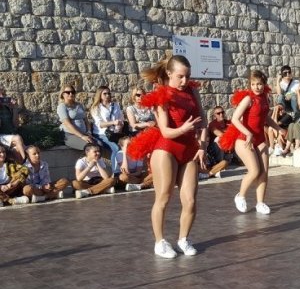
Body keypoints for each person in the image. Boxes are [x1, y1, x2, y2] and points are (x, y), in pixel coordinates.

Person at [127, 55, 207, 259]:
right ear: (170, 74)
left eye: (188, 76)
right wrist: (184, 129)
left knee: (190, 200)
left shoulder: (192, 91)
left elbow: (203, 120)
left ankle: (183, 239)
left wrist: (202, 145)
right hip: (167, 148)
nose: (184, 81)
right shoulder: (162, 95)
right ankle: (160, 242)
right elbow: (165, 131)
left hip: (189, 149)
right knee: (164, 197)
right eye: (180, 76)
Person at [219, 70, 282, 215]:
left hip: (259, 139)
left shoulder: (265, 98)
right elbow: (235, 118)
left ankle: (260, 203)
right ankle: (240, 196)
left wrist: (278, 128)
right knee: (254, 171)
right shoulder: (249, 99)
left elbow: (265, 117)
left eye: (259, 84)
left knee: (264, 172)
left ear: (264, 84)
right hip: (244, 139)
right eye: (253, 84)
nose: (256, 87)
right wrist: (248, 133)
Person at [89, 85, 124, 170]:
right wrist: (113, 122)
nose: (107, 95)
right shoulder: (96, 108)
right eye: (105, 94)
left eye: (109, 93)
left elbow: (121, 118)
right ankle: (116, 172)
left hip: (115, 133)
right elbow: (100, 124)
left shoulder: (115, 105)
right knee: (116, 148)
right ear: (100, 95)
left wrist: (119, 125)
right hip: (102, 134)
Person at [57, 84, 97, 151]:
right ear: (63, 94)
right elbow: (68, 124)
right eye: (68, 92)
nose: (71, 94)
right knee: (90, 147)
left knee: (99, 144)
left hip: (84, 134)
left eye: (72, 92)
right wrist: (82, 136)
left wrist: (89, 132)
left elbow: (86, 120)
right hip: (70, 135)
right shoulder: (62, 107)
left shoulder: (79, 105)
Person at [0, 87, 26, 162]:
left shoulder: (9, 109)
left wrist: (15, 109)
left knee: (17, 149)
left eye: (4, 95)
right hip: (2, 136)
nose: (2, 97)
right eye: (0, 95)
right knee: (17, 138)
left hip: (11, 135)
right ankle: (25, 161)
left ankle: (21, 166)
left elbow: (16, 125)